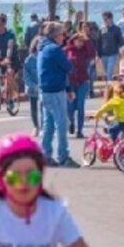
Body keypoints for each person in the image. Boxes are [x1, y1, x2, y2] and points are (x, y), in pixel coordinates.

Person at [37, 23, 77, 167]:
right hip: (55, 90)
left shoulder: (42, 48)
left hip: (46, 90)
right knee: (62, 123)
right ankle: (63, 156)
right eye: (61, 34)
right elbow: (67, 67)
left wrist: (67, 88)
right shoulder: (54, 49)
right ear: (55, 35)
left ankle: (45, 154)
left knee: (48, 125)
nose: (64, 37)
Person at [65, 33, 95, 139]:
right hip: (70, 82)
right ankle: (71, 122)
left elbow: (92, 53)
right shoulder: (67, 51)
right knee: (70, 106)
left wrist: (87, 40)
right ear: (73, 41)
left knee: (80, 105)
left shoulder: (85, 51)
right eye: (78, 41)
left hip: (82, 81)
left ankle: (79, 130)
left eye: (82, 41)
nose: (80, 43)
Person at [98, 11, 124, 84]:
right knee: (106, 72)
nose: (105, 21)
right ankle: (109, 86)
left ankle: (108, 88)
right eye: (104, 19)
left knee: (109, 72)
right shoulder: (102, 29)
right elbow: (99, 42)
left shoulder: (116, 29)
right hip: (104, 54)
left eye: (106, 19)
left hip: (113, 53)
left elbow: (120, 41)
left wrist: (120, 53)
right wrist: (98, 53)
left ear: (111, 19)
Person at [23, 37, 42, 136]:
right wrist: (32, 85)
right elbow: (26, 74)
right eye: (38, 43)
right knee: (33, 108)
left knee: (44, 107)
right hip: (33, 88)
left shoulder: (46, 57)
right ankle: (36, 126)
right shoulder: (30, 59)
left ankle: (44, 126)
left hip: (44, 87)